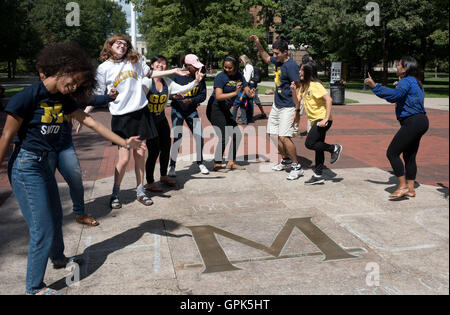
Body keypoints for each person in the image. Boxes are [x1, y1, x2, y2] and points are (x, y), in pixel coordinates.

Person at [0, 43, 145, 295]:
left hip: (45, 164)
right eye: (73, 81)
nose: (75, 87)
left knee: (56, 214)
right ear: (61, 69)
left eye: (79, 84)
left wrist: (124, 142)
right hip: (26, 166)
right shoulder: (27, 96)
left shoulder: (64, 99)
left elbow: (89, 120)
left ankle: (58, 258)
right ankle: (34, 288)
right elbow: (5, 137)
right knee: (42, 227)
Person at [83, 35, 188, 209]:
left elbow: (151, 73)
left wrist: (173, 71)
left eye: (125, 44)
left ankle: (140, 191)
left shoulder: (135, 60)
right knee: (123, 159)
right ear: (109, 46)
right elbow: (99, 94)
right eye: (118, 43)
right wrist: (84, 113)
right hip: (121, 117)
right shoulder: (103, 68)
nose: (122, 46)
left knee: (140, 153)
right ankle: (115, 193)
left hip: (140, 113)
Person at [365, 57, 429, 199]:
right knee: (409, 156)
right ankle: (411, 189)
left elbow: (394, 96)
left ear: (405, 69)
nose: (397, 67)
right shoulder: (415, 81)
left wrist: (374, 86)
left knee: (392, 153)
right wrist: (397, 86)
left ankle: (403, 186)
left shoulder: (406, 82)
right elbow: (404, 96)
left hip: (412, 122)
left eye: (399, 65)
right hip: (421, 121)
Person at [142, 55, 205, 192]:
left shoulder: (167, 82)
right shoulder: (146, 82)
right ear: (152, 65)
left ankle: (164, 175)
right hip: (149, 122)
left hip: (161, 120)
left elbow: (182, 90)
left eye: (164, 64)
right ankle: (150, 182)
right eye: (158, 63)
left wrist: (196, 81)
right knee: (153, 152)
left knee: (166, 149)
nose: (161, 65)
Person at [250, 35, 303, 180]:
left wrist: (297, 111)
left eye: (277, 53)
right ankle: (285, 159)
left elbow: (298, 91)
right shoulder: (278, 62)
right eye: (274, 53)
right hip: (277, 104)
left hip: (289, 106)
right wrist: (258, 43)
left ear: (285, 52)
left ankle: (296, 166)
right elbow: (265, 57)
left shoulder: (291, 66)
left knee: (285, 137)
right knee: (272, 134)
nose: (274, 56)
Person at [291, 61, 343, 185]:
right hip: (315, 121)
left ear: (309, 72)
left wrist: (325, 119)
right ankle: (318, 175)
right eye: (300, 70)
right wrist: (293, 90)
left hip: (322, 120)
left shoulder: (315, 85)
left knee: (309, 143)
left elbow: (329, 99)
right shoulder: (304, 86)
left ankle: (334, 148)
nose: (299, 72)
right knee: (318, 147)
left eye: (302, 70)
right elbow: (297, 101)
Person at [206, 55, 254, 172]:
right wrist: (235, 92)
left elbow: (246, 87)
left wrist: (250, 94)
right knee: (223, 136)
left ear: (236, 67)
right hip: (215, 109)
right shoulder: (220, 77)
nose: (227, 69)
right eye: (225, 67)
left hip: (225, 110)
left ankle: (231, 162)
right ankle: (217, 164)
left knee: (236, 134)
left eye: (230, 67)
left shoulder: (239, 76)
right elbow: (218, 96)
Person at [169, 54, 209, 177]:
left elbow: (203, 95)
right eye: (194, 67)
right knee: (177, 138)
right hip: (177, 110)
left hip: (192, 111)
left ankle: (200, 162)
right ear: (187, 66)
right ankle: (172, 166)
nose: (197, 69)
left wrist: (191, 100)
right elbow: (168, 93)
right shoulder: (177, 76)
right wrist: (174, 97)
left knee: (199, 136)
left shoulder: (200, 77)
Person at [239, 54, 266, 121]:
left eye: (241, 61)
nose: (241, 62)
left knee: (249, 100)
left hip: (249, 85)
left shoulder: (248, 67)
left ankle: (248, 116)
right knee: (253, 100)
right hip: (251, 84)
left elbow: (247, 78)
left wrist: (243, 84)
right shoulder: (248, 67)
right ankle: (248, 115)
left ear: (244, 60)